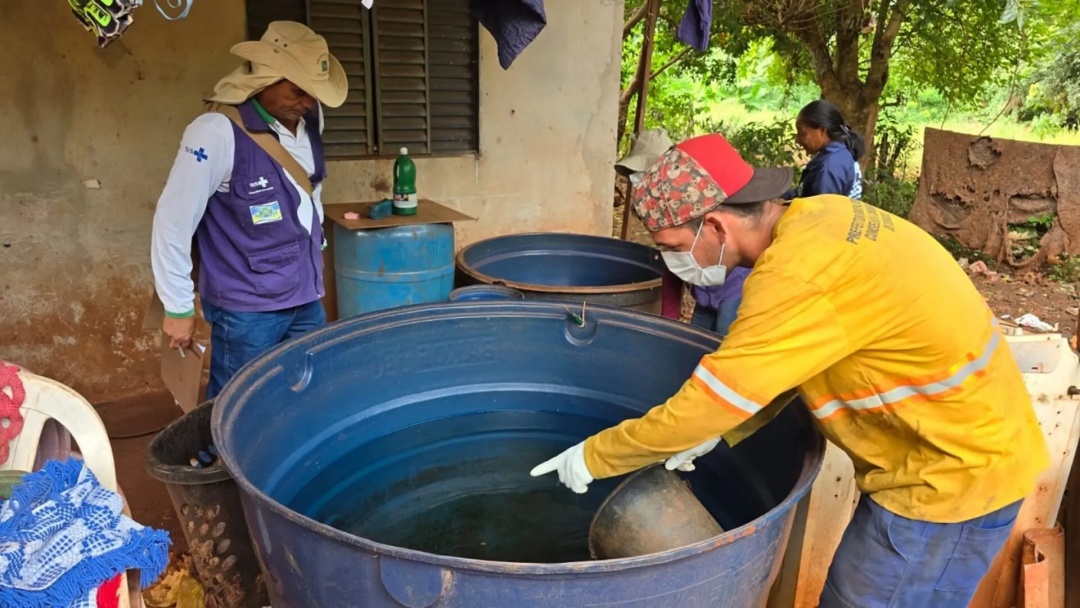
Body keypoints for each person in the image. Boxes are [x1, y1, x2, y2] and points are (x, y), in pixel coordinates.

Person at [531, 133, 1050, 608]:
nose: (672, 264)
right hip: (951, 452)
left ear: (714, 224)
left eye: (671, 249)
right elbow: (791, 363)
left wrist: (596, 457)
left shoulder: (797, 274)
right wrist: (725, 433)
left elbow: (707, 401)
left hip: (950, 479)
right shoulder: (819, 218)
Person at [151, 21, 348, 399]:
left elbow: (312, 187)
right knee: (237, 400)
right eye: (298, 91)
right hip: (247, 308)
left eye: (314, 94)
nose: (308, 102)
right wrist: (177, 308)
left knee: (304, 390)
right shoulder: (216, 132)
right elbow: (173, 222)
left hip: (305, 296)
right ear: (266, 80)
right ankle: (218, 460)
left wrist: (315, 236)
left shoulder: (310, 120)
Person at [615, 128, 748, 337]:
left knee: (725, 342)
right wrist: (669, 324)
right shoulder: (658, 211)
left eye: (643, 174)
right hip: (704, 292)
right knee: (696, 342)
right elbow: (673, 264)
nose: (638, 181)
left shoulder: (700, 201)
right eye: (635, 176)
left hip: (733, 286)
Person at [793, 99, 865, 200]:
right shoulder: (840, 153)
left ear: (822, 130)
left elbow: (820, 212)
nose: (797, 140)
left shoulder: (829, 168)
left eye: (802, 133)